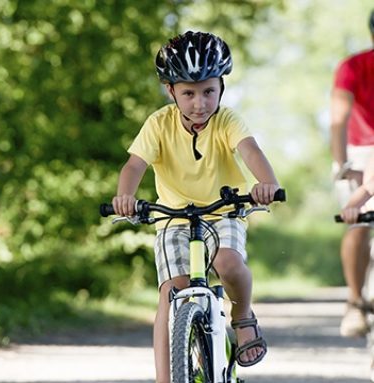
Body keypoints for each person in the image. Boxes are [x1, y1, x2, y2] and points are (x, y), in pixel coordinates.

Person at [111, 31, 280, 382]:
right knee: (171, 292)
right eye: (188, 93)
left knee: (229, 264)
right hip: (173, 218)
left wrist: (267, 183)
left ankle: (243, 316)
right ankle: (165, 377)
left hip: (224, 211)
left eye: (208, 92)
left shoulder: (227, 121)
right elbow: (134, 167)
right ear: (170, 90)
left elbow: (251, 151)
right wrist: (125, 196)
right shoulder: (158, 124)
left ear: (221, 88)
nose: (199, 103)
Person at [330, 9, 374, 338]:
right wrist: (344, 166)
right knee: (358, 220)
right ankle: (356, 300)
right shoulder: (353, 67)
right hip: (358, 153)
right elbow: (338, 122)